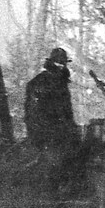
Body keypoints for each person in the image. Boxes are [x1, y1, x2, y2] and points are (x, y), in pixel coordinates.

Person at [25, 47, 80, 191]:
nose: (62, 66)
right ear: (52, 63)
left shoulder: (62, 83)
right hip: (46, 135)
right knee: (51, 168)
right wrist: (46, 134)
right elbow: (34, 114)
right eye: (58, 63)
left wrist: (72, 129)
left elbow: (67, 113)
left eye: (64, 63)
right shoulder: (40, 82)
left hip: (62, 134)